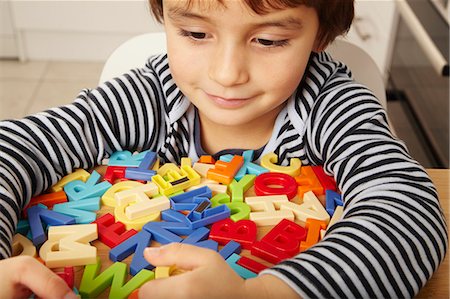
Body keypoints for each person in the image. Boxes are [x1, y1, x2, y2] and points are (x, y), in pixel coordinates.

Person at [0, 0, 447, 298]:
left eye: (269, 41)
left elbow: (408, 209)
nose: (227, 73)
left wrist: (263, 294)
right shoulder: (148, 95)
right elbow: (16, 148)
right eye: (195, 33)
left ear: (320, 36)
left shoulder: (332, 105)